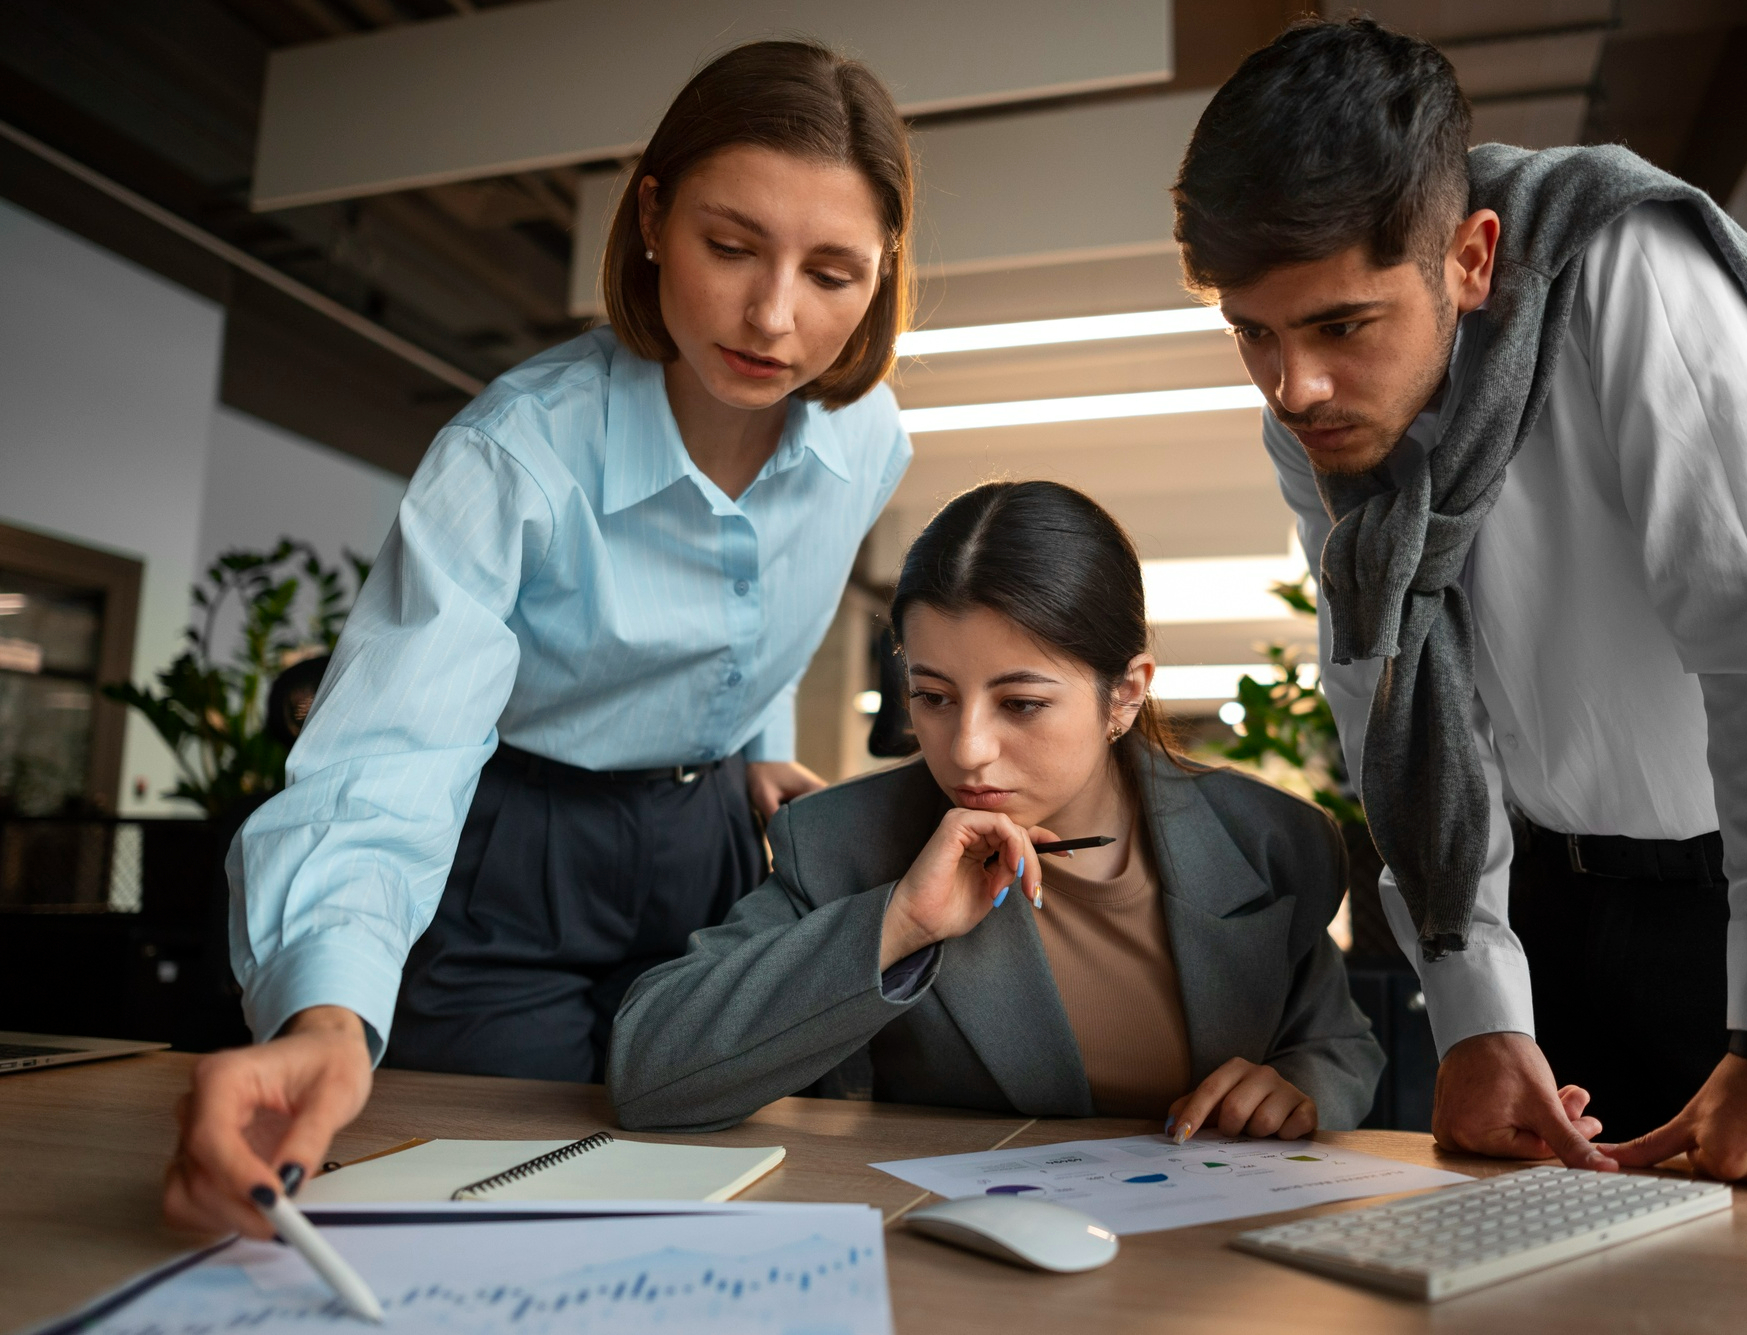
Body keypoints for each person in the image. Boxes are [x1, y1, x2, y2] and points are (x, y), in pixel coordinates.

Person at [1170, 18, 1747, 1188]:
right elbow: (1385, 700)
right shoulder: (1322, 415)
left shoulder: (1625, 269)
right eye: (1253, 336)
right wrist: (1479, 1006)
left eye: (1339, 325)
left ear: (1470, 259)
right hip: (1558, 912)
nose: (1294, 386)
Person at [164, 39, 917, 1238]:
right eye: (730, 247)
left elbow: (757, 599)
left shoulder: (866, 442)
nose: (774, 317)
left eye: (832, 272)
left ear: (882, 275)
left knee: (722, 1189)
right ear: (653, 218)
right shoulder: (513, 456)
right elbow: (390, 755)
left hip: (708, 841)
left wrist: (740, 742)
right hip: (506, 848)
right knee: (501, 1199)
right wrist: (325, 1018)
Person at [607, 481, 1386, 1134]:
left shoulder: (1268, 840)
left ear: (1126, 692)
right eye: (933, 697)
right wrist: (897, 925)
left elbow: (1337, 1042)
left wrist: (1301, 1088)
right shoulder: (843, 840)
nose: (968, 747)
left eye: (1020, 702)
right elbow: (648, 1069)